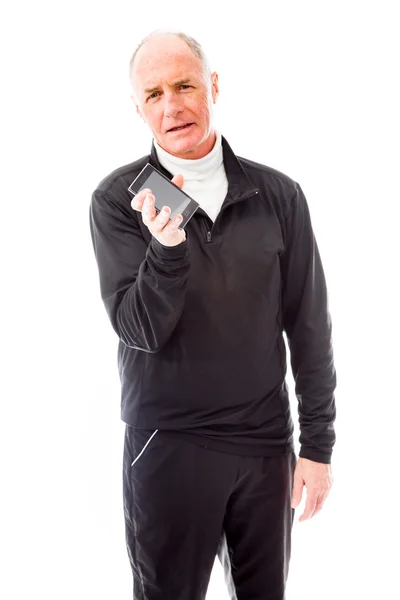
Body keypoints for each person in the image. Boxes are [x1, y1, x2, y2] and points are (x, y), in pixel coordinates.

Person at [89, 29, 336, 600]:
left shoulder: (279, 195)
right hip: (169, 445)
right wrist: (167, 252)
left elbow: (309, 326)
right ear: (138, 108)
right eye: (153, 94)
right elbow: (138, 329)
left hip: (264, 446)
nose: (172, 105)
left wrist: (318, 446)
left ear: (213, 86)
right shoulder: (122, 199)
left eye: (184, 85)